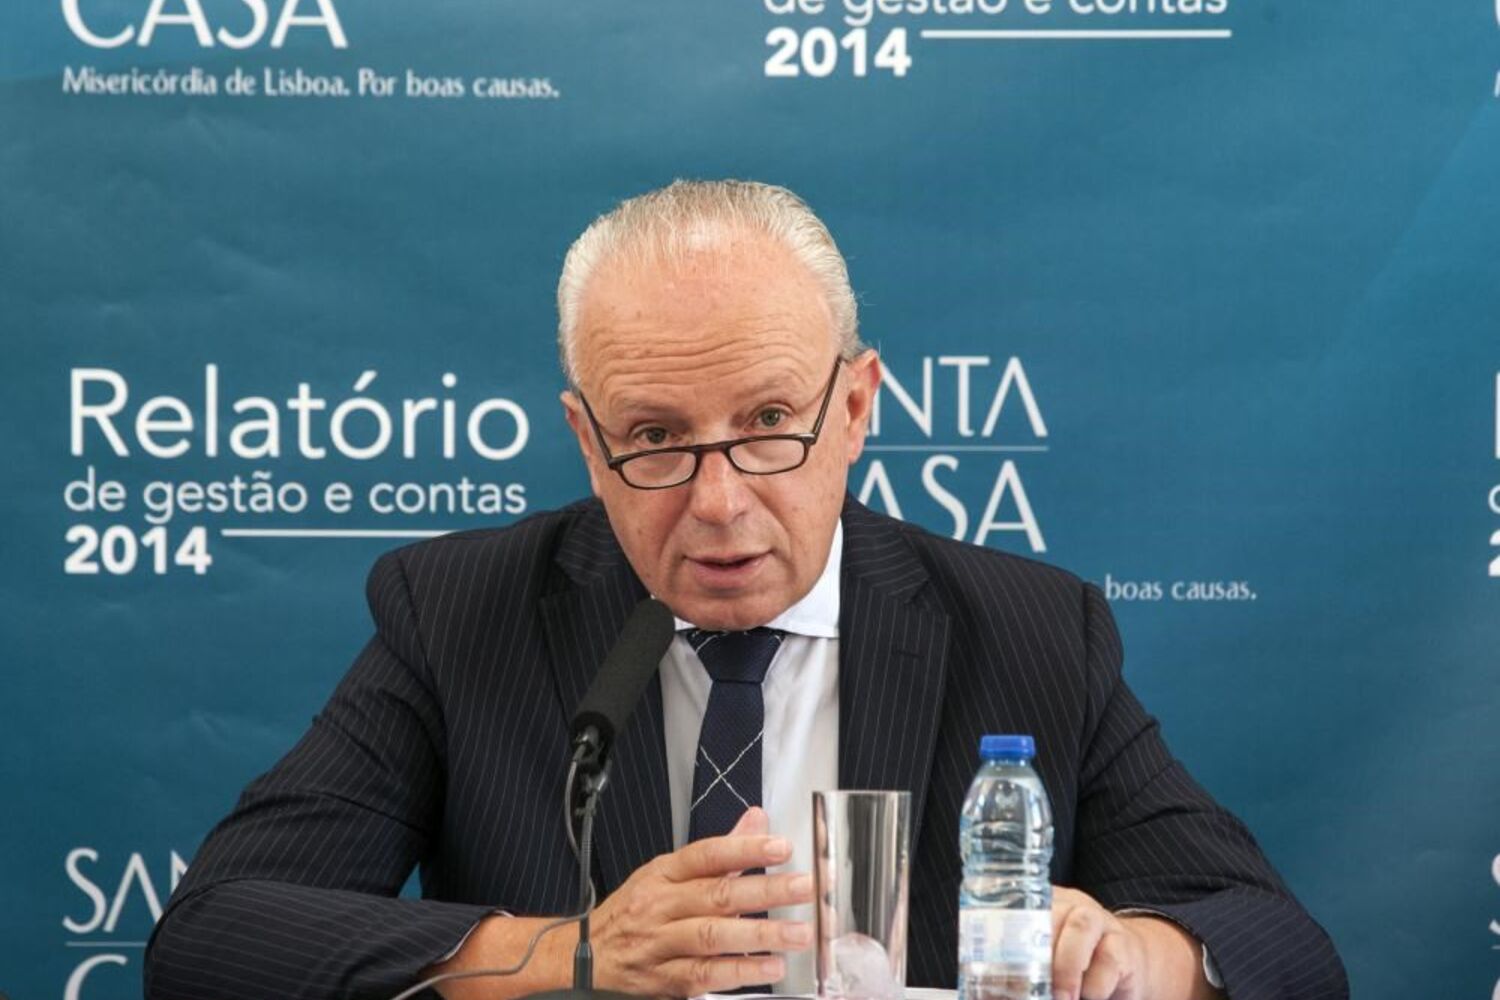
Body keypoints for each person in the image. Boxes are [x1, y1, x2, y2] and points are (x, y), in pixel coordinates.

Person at [144, 180, 1348, 1000]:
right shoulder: (460, 613)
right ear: (586, 442)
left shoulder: (1029, 629)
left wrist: (1137, 958)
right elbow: (211, 939)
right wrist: (564, 957)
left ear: (856, 408)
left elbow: (1279, 945)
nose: (718, 502)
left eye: (770, 422)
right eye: (654, 438)